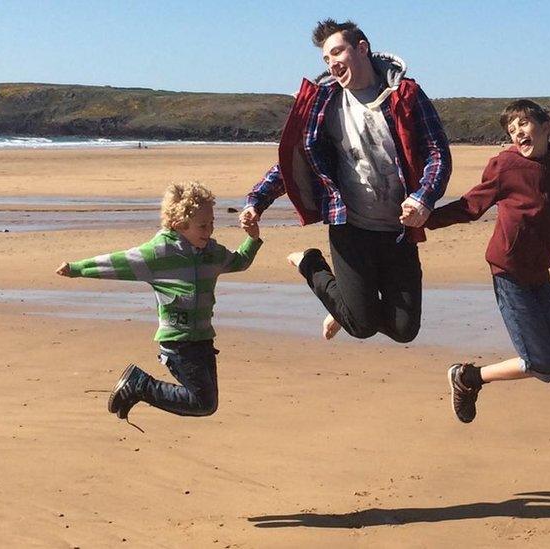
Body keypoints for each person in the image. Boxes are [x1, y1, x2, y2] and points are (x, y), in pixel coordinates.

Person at [414, 100, 550, 423]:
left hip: (540, 274)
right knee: (539, 361)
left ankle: (468, 378)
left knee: (549, 365)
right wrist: (425, 218)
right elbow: (470, 206)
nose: (517, 133)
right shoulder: (505, 166)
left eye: (524, 124)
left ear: (545, 126)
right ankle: (468, 378)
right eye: (511, 129)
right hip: (508, 271)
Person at [241, 19, 451, 342]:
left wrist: (424, 197)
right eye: (326, 59)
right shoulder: (323, 104)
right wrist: (257, 201)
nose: (332, 64)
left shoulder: (404, 95)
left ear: (362, 49)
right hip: (350, 228)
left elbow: (437, 152)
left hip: (398, 231)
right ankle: (311, 264)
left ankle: (347, 306)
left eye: (337, 52)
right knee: (363, 326)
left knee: (405, 330)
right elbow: (296, 162)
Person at [55, 182, 262, 420]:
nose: (210, 230)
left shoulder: (212, 253)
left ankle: (137, 387)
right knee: (202, 403)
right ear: (179, 225)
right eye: (203, 226)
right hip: (178, 342)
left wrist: (253, 239)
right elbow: (118, 263)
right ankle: (138, 384)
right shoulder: (158, 254)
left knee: (207, 403)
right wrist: (77, 268)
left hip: (204, 340)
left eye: (212, 223)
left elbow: (239, 262)